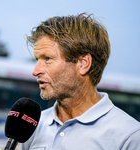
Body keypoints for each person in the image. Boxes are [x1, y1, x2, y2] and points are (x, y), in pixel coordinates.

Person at [19, 13, 140, 150]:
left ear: (83, 63)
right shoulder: (32, 125)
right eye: (37, 60)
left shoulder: (130, 137)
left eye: (48, 59)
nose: (35, 71)